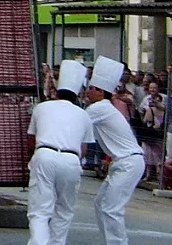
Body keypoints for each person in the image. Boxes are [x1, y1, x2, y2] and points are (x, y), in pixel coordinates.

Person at [25, 60, 93, 245]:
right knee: (64, 210)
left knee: (40, 211)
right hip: (71, 159)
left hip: (45, 154)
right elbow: (84, 149)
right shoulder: (83, 114)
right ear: (77, 94)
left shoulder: (42, 108)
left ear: (56, 92)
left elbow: (31, 139)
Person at [86, 56, 144, 245]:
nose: (88, 91)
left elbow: (79, 120)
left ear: (100, 92)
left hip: (128, 162)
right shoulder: (102, 107)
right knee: (100, 203)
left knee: (111, 208)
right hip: (121, 162)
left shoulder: (101, 108)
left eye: (91, 88)